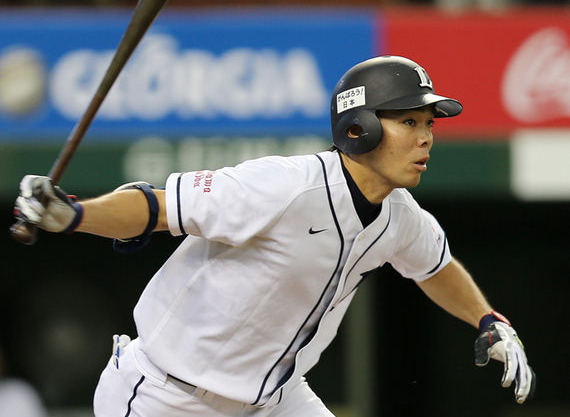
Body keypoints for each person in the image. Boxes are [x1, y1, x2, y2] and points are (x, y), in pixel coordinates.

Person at [13, 55, 535, 417]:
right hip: (168, 396)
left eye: (429, 124)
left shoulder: (400, 216)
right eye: (409, 121)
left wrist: (488, 319)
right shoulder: (282, 186)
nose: (425, 138)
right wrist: (74, 215)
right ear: (360, 128)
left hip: (274, 401)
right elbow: (156, 206)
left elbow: (435, 266)